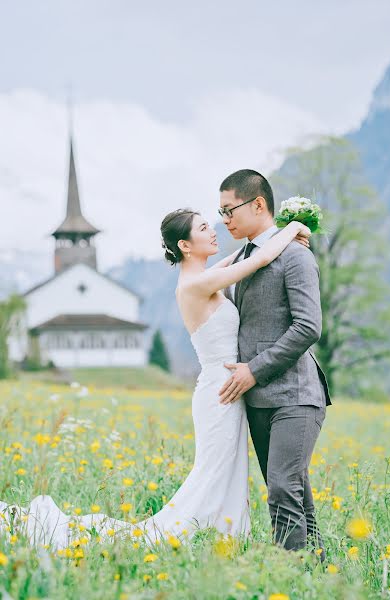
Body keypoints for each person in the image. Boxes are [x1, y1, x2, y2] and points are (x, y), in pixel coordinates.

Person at [0, 204, 310, 551]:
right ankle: (202, 534)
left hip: (224, 389)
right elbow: (258, 261)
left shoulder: (203, 276)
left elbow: (244, 255)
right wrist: (293, 226)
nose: (213, 231)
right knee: (212, 471)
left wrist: (273, 234)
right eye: (204, 228)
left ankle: (224, 535)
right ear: (185, 246)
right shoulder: (196, 284)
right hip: (218, 393)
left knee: (224, 470)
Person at [218, 169, 331, 560]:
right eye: (221, 213)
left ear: (259, 204)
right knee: (293, 489)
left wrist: (253, 369)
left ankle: (287, 574)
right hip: (257, 401)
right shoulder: (244, 258)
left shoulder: (296, 256)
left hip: (296, 396)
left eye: (229, 210)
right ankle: (314, 570)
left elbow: (308, 326)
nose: (225, 220)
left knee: (282, 487)